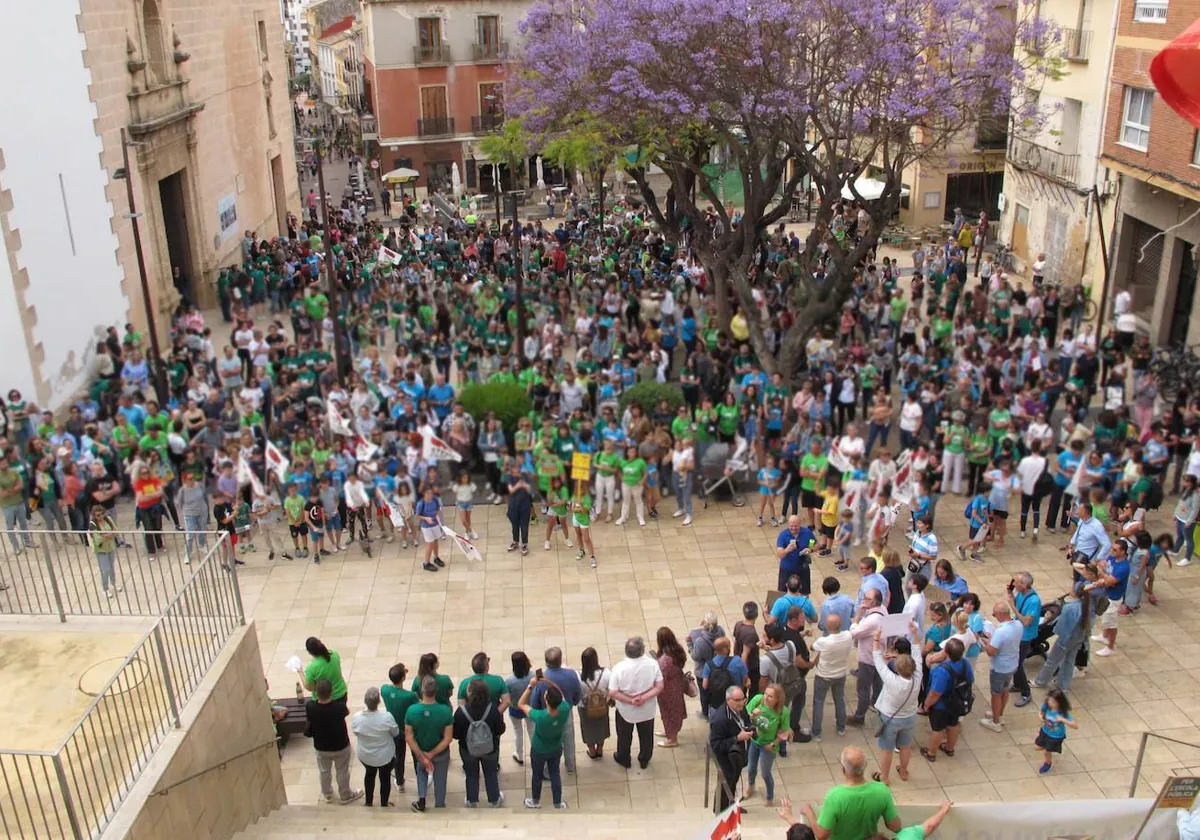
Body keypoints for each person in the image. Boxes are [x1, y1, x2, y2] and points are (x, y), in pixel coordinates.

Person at [799, 746, 901, 840]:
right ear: (865, 766)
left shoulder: (835, 796)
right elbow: (895, 826)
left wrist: (810, 814)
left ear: (843, 769)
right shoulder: (881, 791)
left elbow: (821, 835)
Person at [871, 622, 921, 785]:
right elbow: (917, 652)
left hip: (890, 718)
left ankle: (884, 777)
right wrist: (914, 634)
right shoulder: (917, 677)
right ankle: (904, 771)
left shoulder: (892, 681)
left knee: (887, 749)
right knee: (905, 746)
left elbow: (877, 659)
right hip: (909, 716)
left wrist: (877, 640)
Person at [608, 635, 664, 769]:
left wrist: (630, 700)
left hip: (625, 710)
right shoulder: (652, 664)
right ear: (642, 650)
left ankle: (624, 758)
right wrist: (643, 698)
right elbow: (659, 686)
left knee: (624, 735)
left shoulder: (619, 668)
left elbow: (613, 692)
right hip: (647, 709)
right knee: (646, 736)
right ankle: (644, 759)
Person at [304, 678, 363, 805]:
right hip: (340, 745)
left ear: (316, 692)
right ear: (331, 691)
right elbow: (347, 712)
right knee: (342, 771)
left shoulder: (310, 707)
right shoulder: (339, 707)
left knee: (324, 771)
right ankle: (345, 794)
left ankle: (327, 794)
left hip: (321, 746)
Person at [517, 673, 569, 809]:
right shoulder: (565, 709)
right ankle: (557, 802)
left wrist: (531, 686)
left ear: (546, 701)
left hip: (539, 749)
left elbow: (521, 704)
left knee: (537, 774)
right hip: (556, 748)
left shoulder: (539, 716)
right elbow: (559, 692)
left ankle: (535, 801)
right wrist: (547, 681)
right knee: (555, 773)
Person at [452, 678, 506, 807]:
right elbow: (500, 729)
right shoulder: (493, 709)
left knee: (471, 774)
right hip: (490, 749)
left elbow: (455, 734)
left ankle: (472, 800)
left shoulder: (461, 712)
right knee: (491, 773)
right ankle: (494, 799)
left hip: (468, 750)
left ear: (470, 693)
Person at [404, 675, 454, 813]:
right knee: (440, 780)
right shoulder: (445, 711)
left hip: (421, 751)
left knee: (421, 772)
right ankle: (439, 805)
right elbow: (447, 738)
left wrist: (423, 756)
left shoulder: (412, 711)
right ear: (436, 690)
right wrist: (431, 754)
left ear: (422, 690)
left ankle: (421, 800)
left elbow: (409, 736)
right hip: (440, 754)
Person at [530, 647, 583, 774]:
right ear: (560, 660)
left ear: (546, 661)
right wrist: (571, 704)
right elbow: (578, 695)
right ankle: (570, 767)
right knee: (569, 741)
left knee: (548, 742)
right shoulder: (571, 674)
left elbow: (534, 703)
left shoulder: (541, 679)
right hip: (566, 714)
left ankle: (548, 771)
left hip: (547, 715)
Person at [921, 638, 973, 763]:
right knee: (953, 725)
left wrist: (926, 705)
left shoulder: (943, 671)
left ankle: (931, 753)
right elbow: (970, 680)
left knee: (937, 729)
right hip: (958, 702)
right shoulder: (966, 664)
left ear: (946, 653)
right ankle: (949, 748)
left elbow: (935, 693)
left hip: (942, 706)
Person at [351, 686, 400, 807]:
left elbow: (355, 732)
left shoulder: (357, 718)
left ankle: (368, 802)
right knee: (385, 779)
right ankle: (384, 803)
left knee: (369, 775)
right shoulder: (387, 717)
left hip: (366, 756)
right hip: (385, 757)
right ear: (378, 701)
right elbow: (396, 733)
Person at [708, 685, 754, 813]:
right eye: (737, 700)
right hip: (725, 758)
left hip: (737, 754)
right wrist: (737, 738)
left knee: (733, 781)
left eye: (743, 699)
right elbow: (715, 744)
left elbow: (745, 722)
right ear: (728, 701)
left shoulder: (741, 709)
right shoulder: (720, 719)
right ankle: (721, 810)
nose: (741, 703)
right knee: (725, 784)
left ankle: (731, 805)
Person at [979, 602, 1022, 732]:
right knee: (1005, 690)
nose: (994, 616)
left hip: (1000, 667)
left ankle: (995, 722)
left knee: (996, 694)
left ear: (1000, 615)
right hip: (1013, 664)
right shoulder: (1018, 624)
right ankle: (999, 714)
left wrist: (987, 643)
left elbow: (991, 652)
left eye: (995, 614)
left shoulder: (1001, 631)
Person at [745, 683, 791, 805]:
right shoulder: (757, 700)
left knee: (765, 772)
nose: (766, 697)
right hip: (755, 741)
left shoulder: (783, 712)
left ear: (777, 699)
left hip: (768, 746)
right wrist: (752, 715)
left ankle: (770, 796)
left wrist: (773, 744)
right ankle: (751, 786)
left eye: (770, 696)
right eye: (765, 693)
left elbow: (784, 732)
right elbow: (745, 714)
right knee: (751, 767)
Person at [847, 588, 887, 727]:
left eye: (867, 599)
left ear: (875, 601)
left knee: (863, 688)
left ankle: (859, 716)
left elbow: (854, 633)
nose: (863, 600)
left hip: (868, 657)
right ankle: (875, 702)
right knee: (877, 681)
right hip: (879, 654)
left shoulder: (872, 620)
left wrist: (857, 616)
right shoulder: (882, 609)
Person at [810, 613, 852, 741]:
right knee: (839, 699)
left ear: (827, 626)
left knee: (818, 702)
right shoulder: (848, 636)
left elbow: (812, 647)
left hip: (824, 675)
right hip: (840, 674)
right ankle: (841, 727)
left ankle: (817, 732)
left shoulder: (823, 641)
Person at [380, 663, 418, 790]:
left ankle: (399, 781)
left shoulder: (384, 690)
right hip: (409, 729)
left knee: (398, 756)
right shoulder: (410, 696)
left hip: (394, 729)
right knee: (416, 753)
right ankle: (420, 777)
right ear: (403, 678)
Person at [1008, 571, 1042, 707]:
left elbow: (1026, 621)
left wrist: (1012, 608)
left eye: (1016, 582)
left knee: (1017, 663)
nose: (1014, 583)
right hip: (1018, 632)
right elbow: (1018, 603)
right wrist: (1010, 594)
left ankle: (1026, 693)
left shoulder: (1034, 601)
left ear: (1024, 585)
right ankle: (1017, 684)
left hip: (1025, 636)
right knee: (1016, 661)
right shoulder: (1021, 593)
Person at [687, 611, 725, 719]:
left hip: (703, 672)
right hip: (719, 667)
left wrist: (689, 644)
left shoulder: (700, 641)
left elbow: (696, 656)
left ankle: (705, 713)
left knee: (704, 694)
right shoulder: (721, 631)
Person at [655, 626, 688, 748]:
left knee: (669, 712)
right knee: (672, 712)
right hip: (677, 685)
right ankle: (669, 731)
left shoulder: (665, 660)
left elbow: (661, 676)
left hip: (667, 690)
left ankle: (672, 739)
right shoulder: (677, 651)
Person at [578, 646, 612, 759]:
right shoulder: (606, 673)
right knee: (601, 727)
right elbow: (611, 689)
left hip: (585, 708)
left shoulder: (578, 676)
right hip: (602, 705)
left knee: (588, 729)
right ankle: (600, 749)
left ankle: (592, 751)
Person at [1036, 688, 1078, 774]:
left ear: (1059, 703)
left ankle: (1047, 763)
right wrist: (1040, 716)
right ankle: (1048, 748)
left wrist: (1063, 720)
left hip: (1055, 736)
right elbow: (1040, 711)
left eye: (1053, 702)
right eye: (1050, 700)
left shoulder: (1063, 713)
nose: (1050, 703)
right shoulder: (1046, 706)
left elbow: (1075, 726)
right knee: (1037, 747)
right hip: (1045, 730)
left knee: (1046, 752)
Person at [302, 637, 348, 709]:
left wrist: (300, 672)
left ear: (309, 652)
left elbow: (309, 687)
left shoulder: (312, 668)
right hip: (340, 693)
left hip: (322, 701)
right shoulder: (334, 654)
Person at [776, 515, 816, 594]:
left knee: (805, 594)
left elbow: (817, 544)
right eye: (791, 526)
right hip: (787, 570)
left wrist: (810, 549)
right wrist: (787, 550)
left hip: (802, 569)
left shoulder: (807, 532)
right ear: (788, 525)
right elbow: (779, 554)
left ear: (800, 524)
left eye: (796, 526)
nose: (793, 528)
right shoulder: (783, 535)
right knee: (781, 593)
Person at [87, 504, 120, 598]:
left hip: (110, 547)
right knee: (105, 569)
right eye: (98, 515)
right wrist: (108, 535)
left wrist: (106, 535)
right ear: (94, 515)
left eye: (102, 514)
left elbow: (115, 530)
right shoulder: (92, 525)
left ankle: (113, 584)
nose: (101, 517)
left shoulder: (108, 519)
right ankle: (105, 589)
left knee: (111, 567)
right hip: (101, 549)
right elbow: (97, 538)